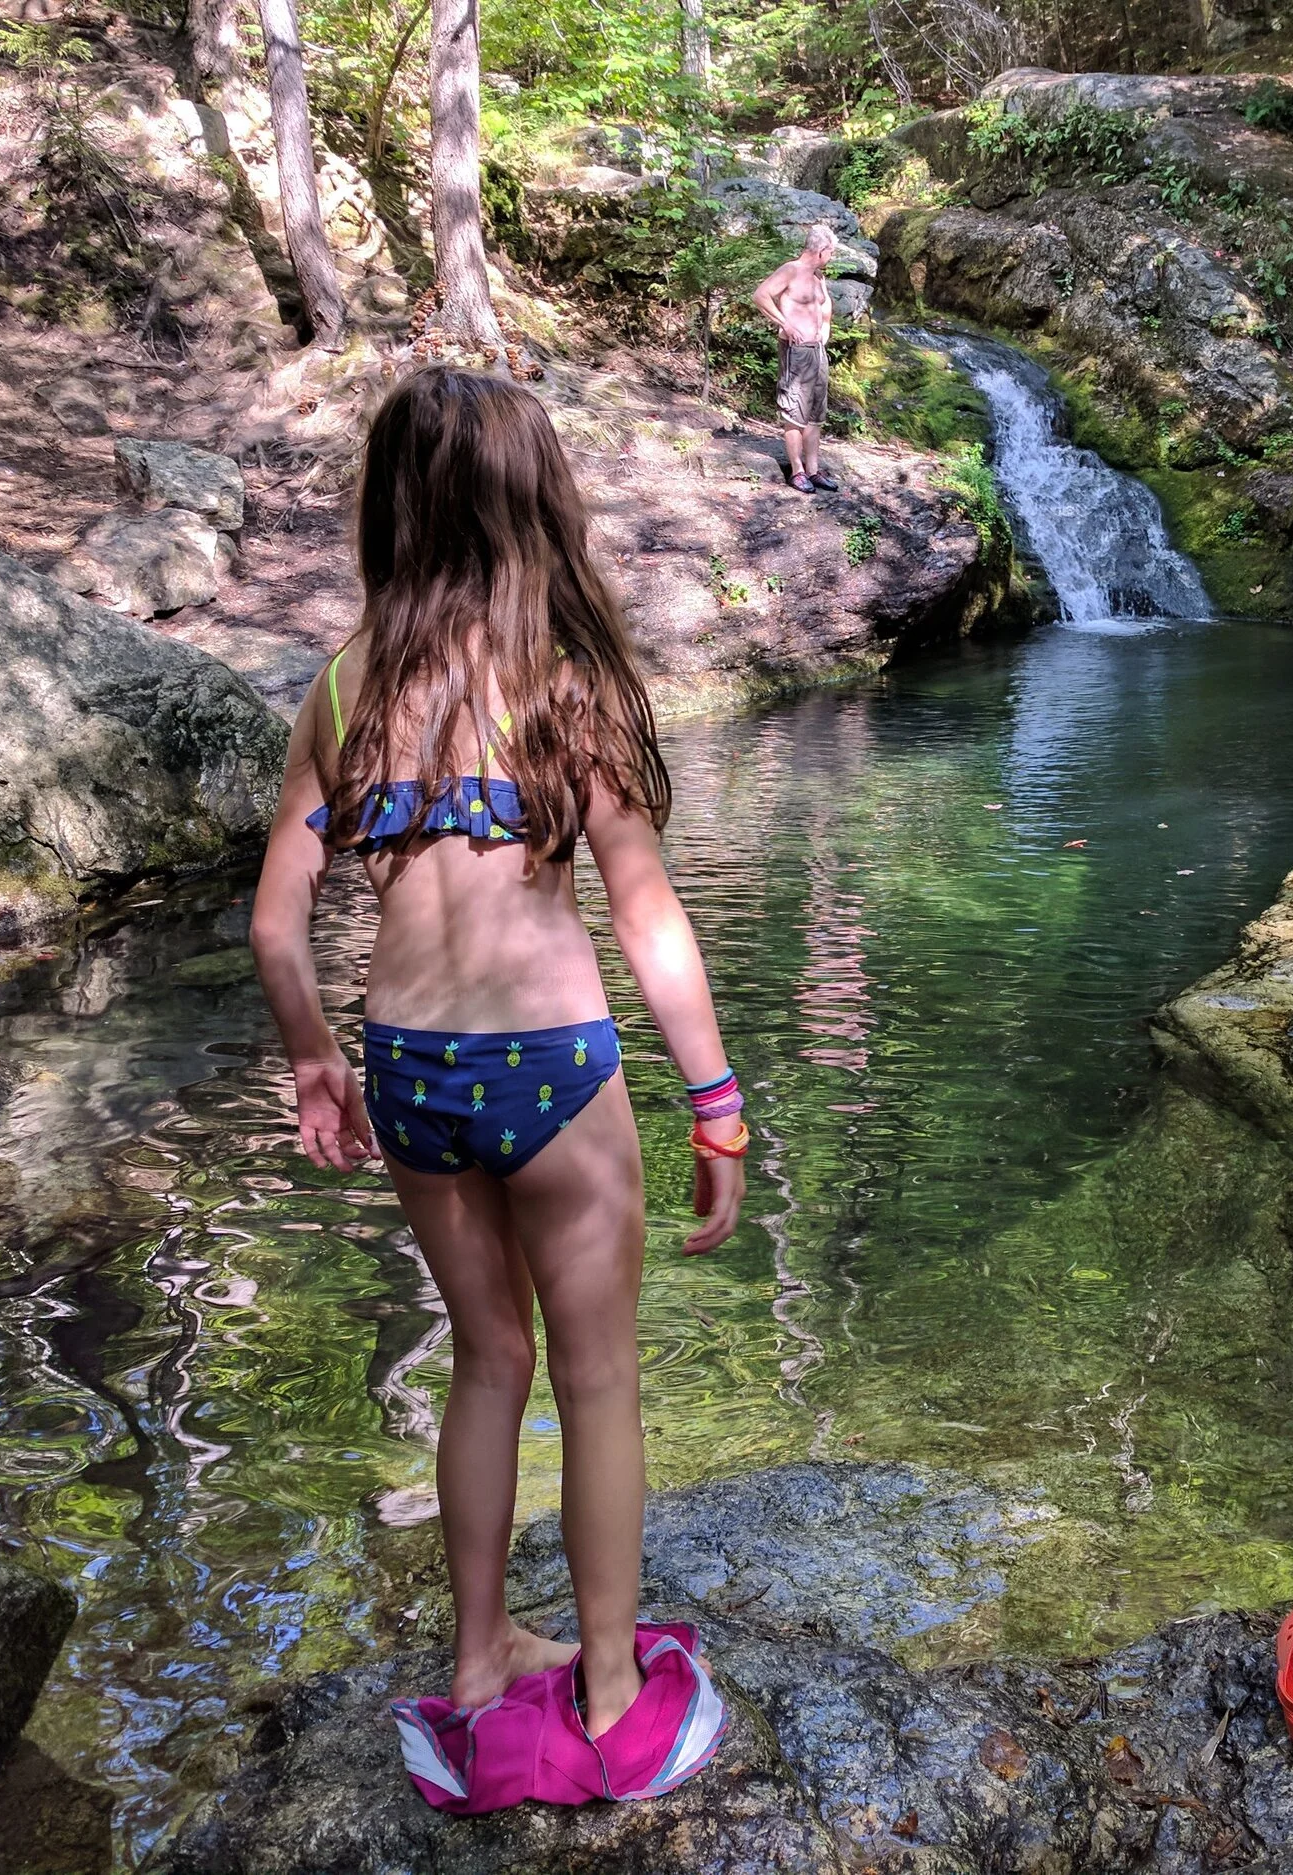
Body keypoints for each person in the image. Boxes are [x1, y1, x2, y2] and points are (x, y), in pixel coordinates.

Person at [249, 365, 748, 1803]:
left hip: (409, 1069)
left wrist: (315, 1061)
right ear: (534, 504)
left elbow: (276, 922)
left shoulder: (344, 686)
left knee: (485, 1360)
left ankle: (477, 1660)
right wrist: (714, 1100)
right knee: (596, 1378)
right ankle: (610, 1688)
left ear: (394, 506)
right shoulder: (563, 681)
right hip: (551, 1068)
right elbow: (646, 913)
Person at [751, 222, 840, 493]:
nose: (832, 257)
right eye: (831, 252)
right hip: (796, 351)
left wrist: (824, 332)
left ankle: (813, 470)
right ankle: (797, 471)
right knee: (794, 410)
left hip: (817, 351)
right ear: (821, 250)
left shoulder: (818, 277)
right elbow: (761, 295)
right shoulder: (791, 270)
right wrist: (785, 324)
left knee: (815, 413)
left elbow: (825, 308)